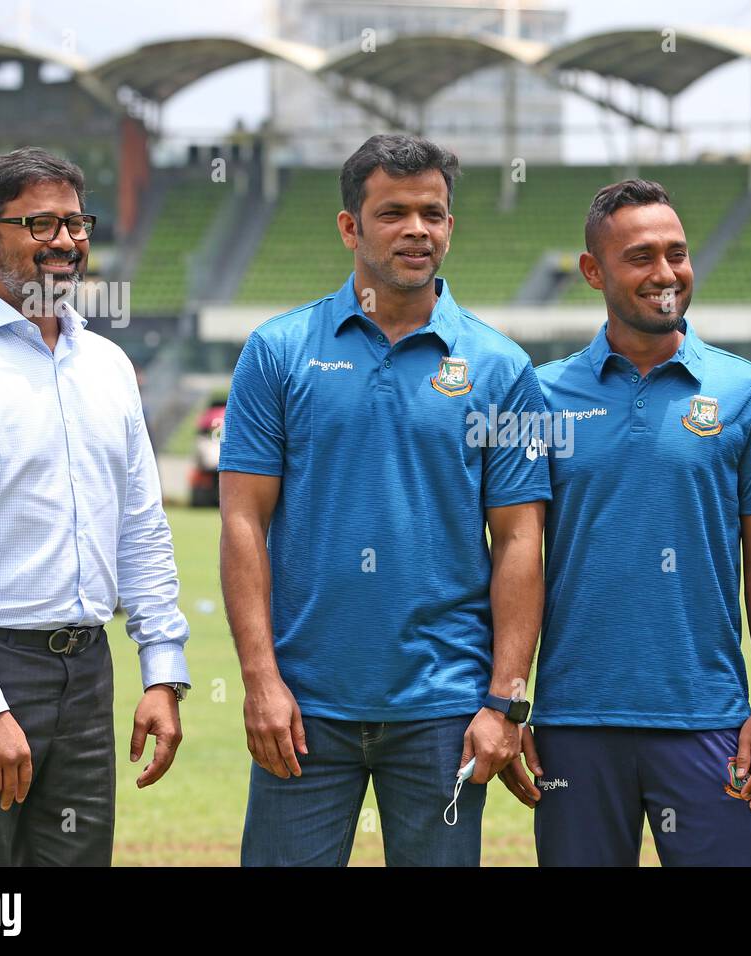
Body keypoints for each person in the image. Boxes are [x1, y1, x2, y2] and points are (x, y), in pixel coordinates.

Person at [219, 133, 550, 867]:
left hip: (443, 709)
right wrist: (261, 681)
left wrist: (505, 701)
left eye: (432, 213)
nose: (417, 230)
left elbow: (521, 540)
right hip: (303, 707)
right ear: (350, 227)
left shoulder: (502, 367)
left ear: (451, 226)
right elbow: (243, 520)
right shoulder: (277, 351)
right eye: (393, 211)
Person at [0, 147, 191, 866]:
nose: (65, 241)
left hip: (84, 677)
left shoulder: (108, 368)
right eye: (40, 223)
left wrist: (162, 669)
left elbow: (141, 529)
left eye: (76, 223)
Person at [501, 179, 751, 866]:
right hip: (574, 724)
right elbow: (517, 554)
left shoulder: (745, 392)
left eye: (677, 253)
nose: (666, 274)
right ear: (593, 272)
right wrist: (512, 702)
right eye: (641, 257)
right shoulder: (538, 396)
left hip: (711, 723)